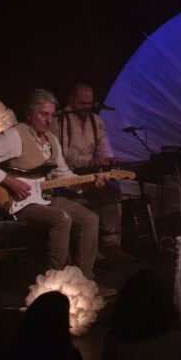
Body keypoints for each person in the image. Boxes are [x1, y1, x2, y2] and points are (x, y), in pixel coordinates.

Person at [0, 88, 114, 296]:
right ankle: (55, 286)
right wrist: (9, 181)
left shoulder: (51, 141)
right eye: (43, 114)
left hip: (45, 198)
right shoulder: (15, 135)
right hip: (19, 201)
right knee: (62, 218)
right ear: (29, 113)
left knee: (90, 218)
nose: (48, 120)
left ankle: (85, 282)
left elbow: (64, 175)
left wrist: (92, 181)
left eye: (51, 115)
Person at [55, 82, 134, 262]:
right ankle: (90, 248)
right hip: (69, 177)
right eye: (82, 103)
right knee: (89, 200)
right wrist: (87, 161)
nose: (86, 107)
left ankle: (111, 243)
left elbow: (103, 147)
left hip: (92, 174)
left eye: (89, 104)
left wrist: (109, 159)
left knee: (113, 192)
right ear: (71, 100)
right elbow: (63, 153)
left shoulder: (96, 121)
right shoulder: (60, 119)